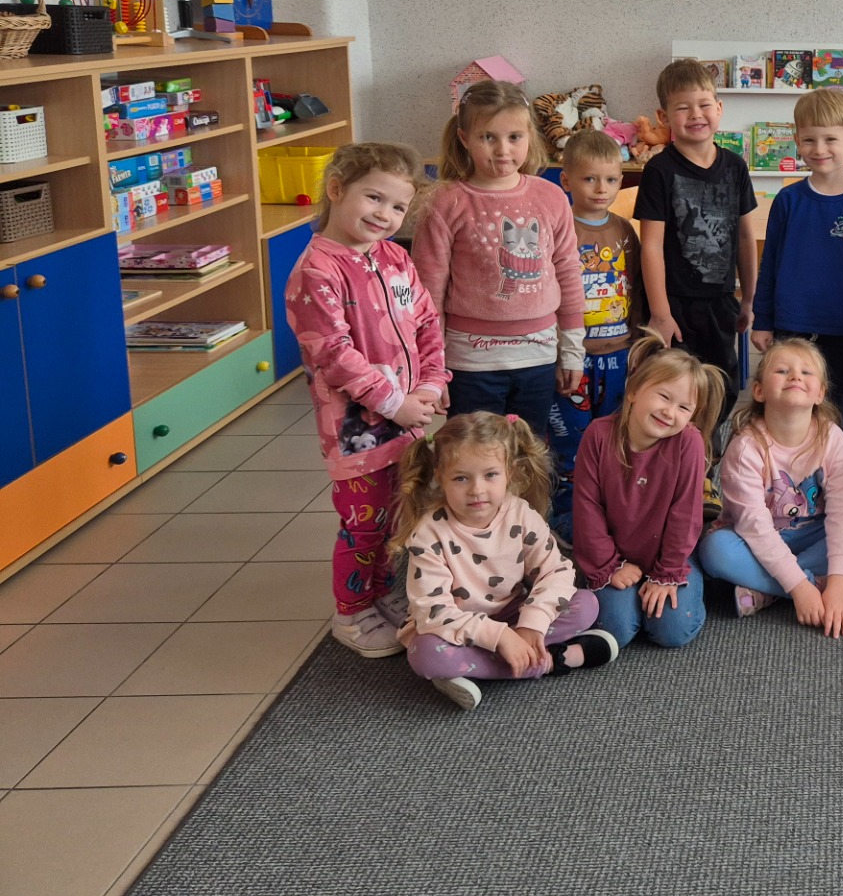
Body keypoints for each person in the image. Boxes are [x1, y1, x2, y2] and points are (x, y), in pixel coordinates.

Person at [285, 142, 449, 658]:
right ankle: (352, 614)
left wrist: (431, 383)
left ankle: (378, 592)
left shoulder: (394, 256)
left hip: (407, 419)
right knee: (363, 523)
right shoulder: (316, 271)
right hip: (356, 431)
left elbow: (426, 322)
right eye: (373, 198)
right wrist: (394, 403)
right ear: (336, 189)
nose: (384, 215)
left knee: (396, 512)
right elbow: (333, 354)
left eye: (398, 206)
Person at [389, 412, 618, 711]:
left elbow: (556, 571)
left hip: (512, 613)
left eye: (490, 475)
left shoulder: (520, 513)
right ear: (440, 477)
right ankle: (553, 661)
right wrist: (499, 638)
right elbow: (434, 611)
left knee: (586, 604)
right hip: (457, 628)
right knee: (426, 654)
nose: (477, 490)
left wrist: (531, 626)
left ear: (509, 472)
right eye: (461, 478)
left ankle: (476, 667)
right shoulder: (429, 532)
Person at [413, 79, 585, 427]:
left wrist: (572, 351)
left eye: (514, 137)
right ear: (464, 138)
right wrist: (431, 367)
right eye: (488, 137)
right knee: (473, 451)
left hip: (538, 356)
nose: (503, 150)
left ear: (530, 136)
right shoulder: (445, 202)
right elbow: (428, 291)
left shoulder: (551, 197)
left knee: (528, 450)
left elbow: (568, 271)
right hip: (470, 362)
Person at [698, 337, 843, 631]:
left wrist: (839, 585)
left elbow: (842, 515)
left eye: (806, 372)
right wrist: (802, 588)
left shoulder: (832, 439)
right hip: (755, 540)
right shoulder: (746, 447)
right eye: (782, 371)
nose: (795, 376)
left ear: (820, 393)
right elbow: (755, 527)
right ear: (759, 391)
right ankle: (812, 586)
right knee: (715, 550)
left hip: (815, 534)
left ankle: (767, 590)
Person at [570, 329, 726, 650]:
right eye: (664, 397)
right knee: (616, 629)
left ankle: (688, 582)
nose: (670, 412)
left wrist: (667, 573)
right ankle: (625, 593)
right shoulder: (598, 435)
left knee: (672, 631)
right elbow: (587, 508)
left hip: (668, 555)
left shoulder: (689, 442)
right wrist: (609, 566)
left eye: (684, 408)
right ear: (633, 392)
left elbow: (685, 515)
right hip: (613, 554)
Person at [749, 86, 843, 425]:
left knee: (832, 412)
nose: (819, 149)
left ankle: (835, 460)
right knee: (785, 408)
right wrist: (762, 319)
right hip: (790, 326)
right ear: (797, 142)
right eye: (809, 140)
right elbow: (769, 265)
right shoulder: (788, 200)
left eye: (830, 140)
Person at [637, 58, 759, 420]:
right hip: (673, 305)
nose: (695, 114)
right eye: (683, 107)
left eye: (704, 104)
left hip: (720, 302)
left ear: (719, 109)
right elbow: (651, 246)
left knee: (720, 390)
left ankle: (706, 449)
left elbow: (746, 237)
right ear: (663, 117)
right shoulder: (659, 170)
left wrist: (749, 298)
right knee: (670, 392)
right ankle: (676, 450)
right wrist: (660, 314)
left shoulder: (735, 166)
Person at [546, 129, 644, 542]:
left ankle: (609, 508)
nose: (601, 188)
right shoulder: (558, 228)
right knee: (570, 439)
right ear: (566, 180)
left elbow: (635, 286)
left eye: (611, 179)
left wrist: (638, 343)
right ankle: (568, 515)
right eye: (590, 179)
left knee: (614, 436)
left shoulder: (624, 230)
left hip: (618, 353)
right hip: (572, 357)